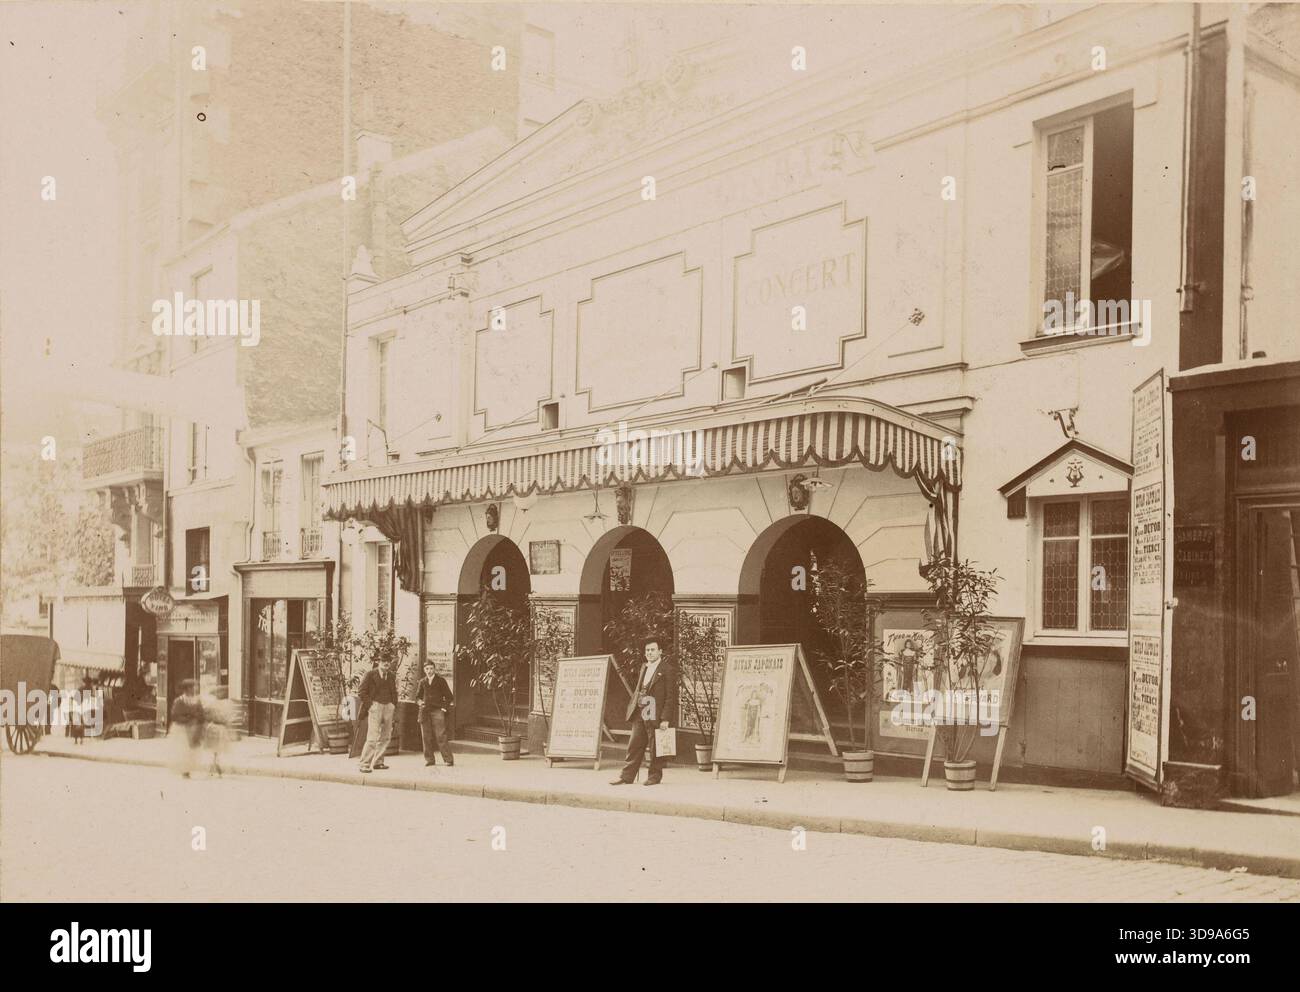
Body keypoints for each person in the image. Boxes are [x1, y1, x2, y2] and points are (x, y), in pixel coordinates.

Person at [610, 637, 672, 787]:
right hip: (641, 709)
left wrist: (665, 718)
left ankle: (654, 776)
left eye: (653, 650)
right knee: (635, 743)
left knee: (655, 744)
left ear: (660, 651)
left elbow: (670, 697)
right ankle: (627, 776)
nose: (650, 653)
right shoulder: (644, 667)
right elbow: (639, 689)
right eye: (647, 650)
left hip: (654, 710)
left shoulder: (667, 670)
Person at [357, 657, 398, 773]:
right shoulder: (370, 674)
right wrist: (371, 704)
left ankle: (378, 762)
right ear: (378, 662)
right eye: (384, 661)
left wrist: (393, 704)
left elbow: (394, 691)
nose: (386, 663)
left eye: (388, 662)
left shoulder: (390, 675)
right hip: (375, 707)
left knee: (385, 737)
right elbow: (361, 692)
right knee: (372, 737)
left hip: (388, 707)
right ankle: (364, 764)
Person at [415, 661, 455, 767]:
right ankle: (429, 760)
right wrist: (420, 703)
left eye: (431, 668)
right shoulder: (422, 682)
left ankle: (448, 759)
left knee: (441, 735)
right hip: (424, 711)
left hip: (438, 711)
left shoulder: (441, 681)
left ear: (434, 669)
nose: (429, 671)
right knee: (426, 737)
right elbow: (417, 697)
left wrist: (443, 708)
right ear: (424, 670)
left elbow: (450, 697)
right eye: (427, 669)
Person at [168, 679, 206, 778]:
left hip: (193, 728)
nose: (195, 688)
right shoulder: (179, 701)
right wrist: (188, 719)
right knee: (183, 749)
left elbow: (201, 714)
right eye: (193, 686)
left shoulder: (197, 700)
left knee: (192, 750)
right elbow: (175, 716)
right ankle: (184, 771)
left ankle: (188, 770)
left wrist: (198, 721)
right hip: (182, 729)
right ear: (188, 689)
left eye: (195, 686)